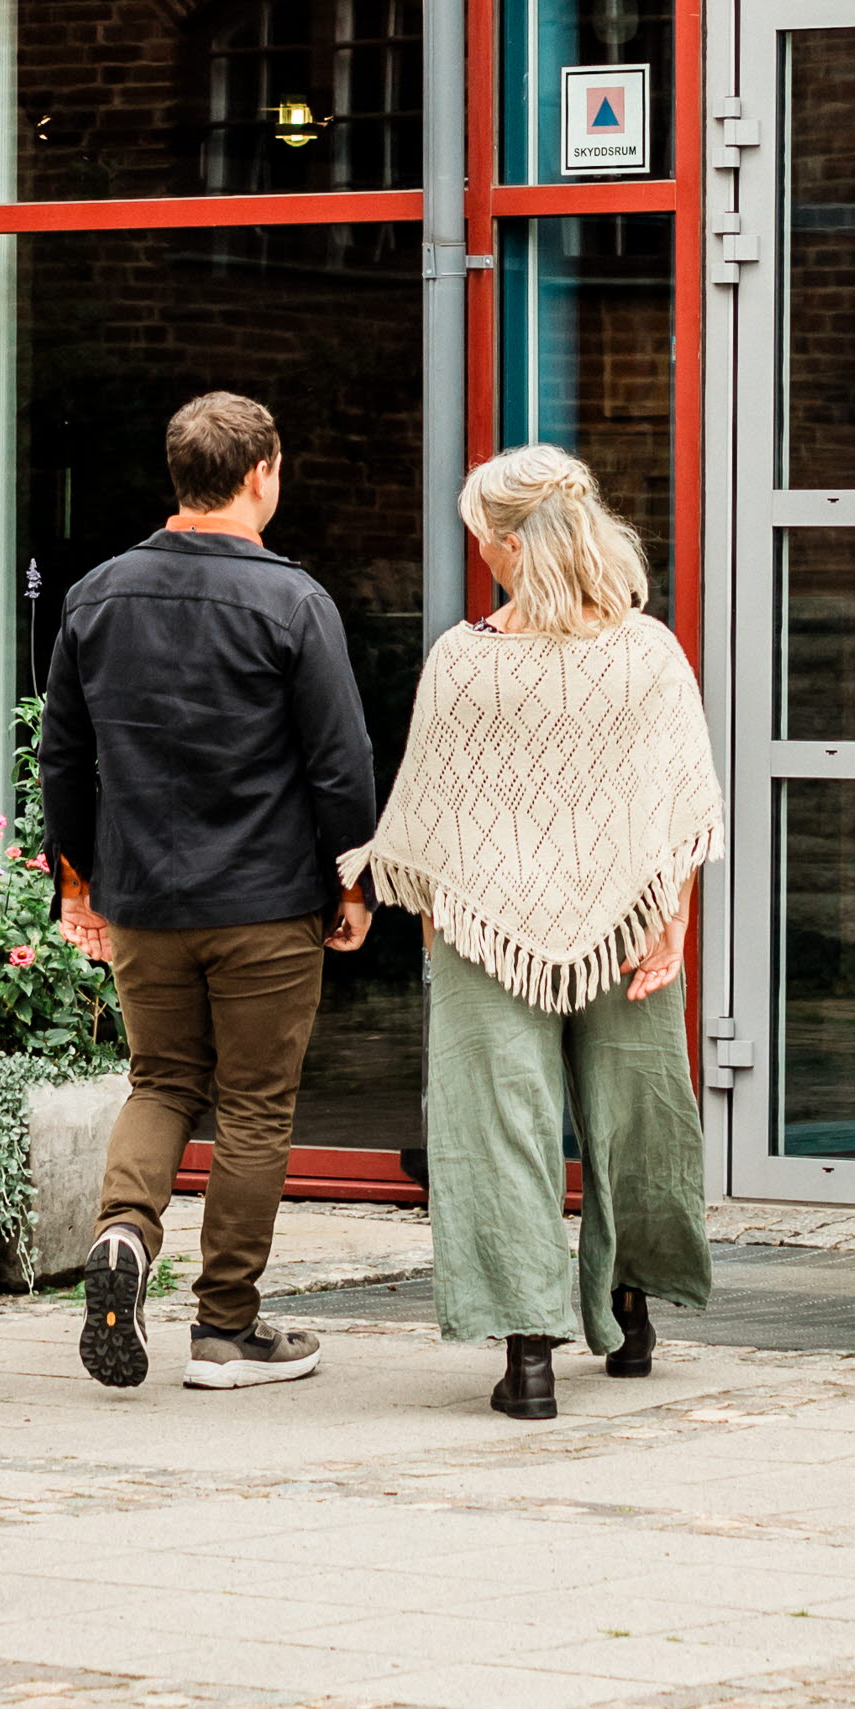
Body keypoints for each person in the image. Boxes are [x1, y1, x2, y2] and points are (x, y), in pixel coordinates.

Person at [347, 445, 719, 1421]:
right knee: (636, 1115)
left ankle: (529, 1360)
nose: (480, 554)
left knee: (499, 1129)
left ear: (513, 545)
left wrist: (435, 918)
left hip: (485, 932)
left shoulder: (465, 661)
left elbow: (429, 818)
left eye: (483, 539)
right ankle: (630, 1310)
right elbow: (681, 811)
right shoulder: (648, 652)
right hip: (629, 921)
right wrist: (671, 925)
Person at [41, 392, 377, 1393]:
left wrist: (77, 879)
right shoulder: (293, 602)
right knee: (256, 1108)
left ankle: (121, 1241)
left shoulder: (96, 595)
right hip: (266, 903)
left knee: (161, 1085)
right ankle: (226, 1330)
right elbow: (340, 763)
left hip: (143, 900)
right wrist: (352, 881)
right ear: (262, 473)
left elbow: (65, 755)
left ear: (178, 474)